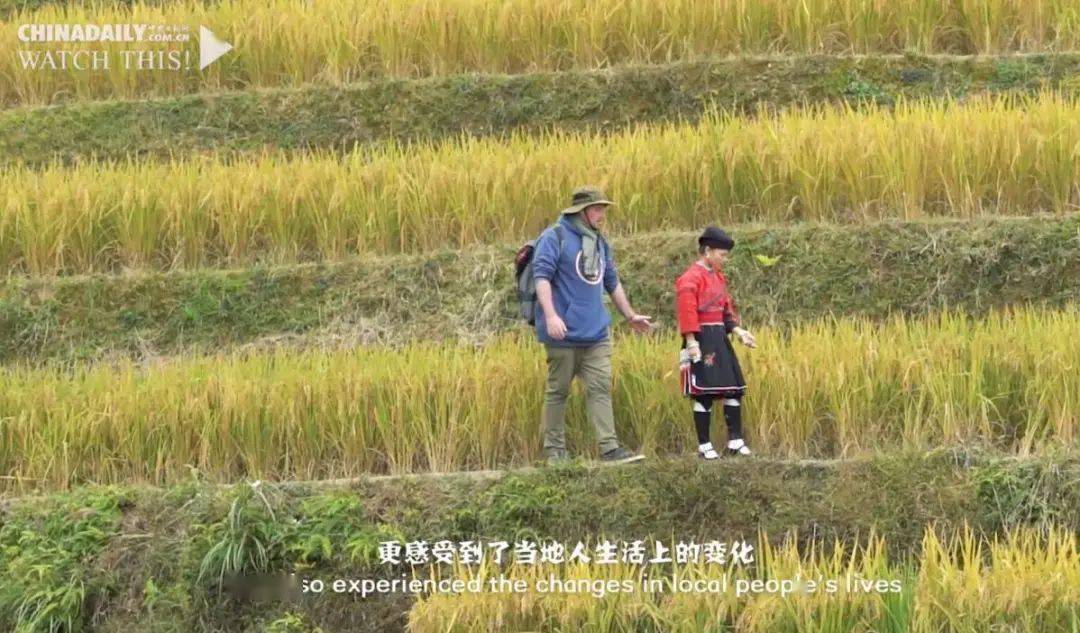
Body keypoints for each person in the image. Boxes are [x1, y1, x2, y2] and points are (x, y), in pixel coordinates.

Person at [532, 186, 653, 464]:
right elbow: (541, 277)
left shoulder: (599, 242)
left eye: (603, 210)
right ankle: (555, 452)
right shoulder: (555, 237)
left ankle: (609, 448)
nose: (601, 215)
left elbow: (611, 281)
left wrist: (630, 315)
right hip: (563, 333)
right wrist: (551, 316)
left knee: (600, 388)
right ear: (582, 212)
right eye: (597, 209)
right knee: (558, 391)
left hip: (596, 333)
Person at [675, 226, 757, 459]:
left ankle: (736, 441)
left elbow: (725, 311)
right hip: (701, 340)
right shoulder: (689, 279)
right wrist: (691, 342)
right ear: (707, 251)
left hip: (720, 339)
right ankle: (704, 446)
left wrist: (739, 332)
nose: (724, 260)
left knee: (733, 390)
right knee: (704, 393)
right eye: (722, 255)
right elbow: (687, 313)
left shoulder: (719, 277)